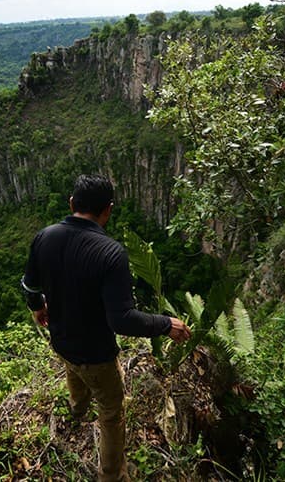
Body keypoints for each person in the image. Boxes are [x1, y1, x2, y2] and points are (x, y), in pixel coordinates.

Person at [21, 174, 192, 481]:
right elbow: (122, 320)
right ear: (108, 210)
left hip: (60, 339)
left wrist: (38, 309)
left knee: (73, 369)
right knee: (112, 413)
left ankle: (76, 411)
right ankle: (111, 475)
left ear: (72, 203)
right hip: (96, 354)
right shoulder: (110, 253)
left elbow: (30, 287)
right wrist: (166, 324)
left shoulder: (44, 236)